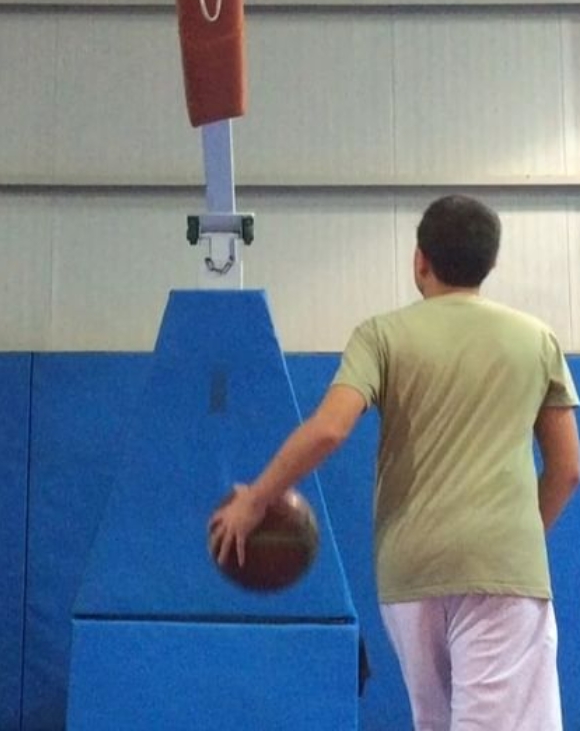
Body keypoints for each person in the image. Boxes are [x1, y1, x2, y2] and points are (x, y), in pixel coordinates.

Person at [209, 193, 580, 731]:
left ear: (419, 260)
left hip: (410, 570)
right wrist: (515, 539)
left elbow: (330, 428)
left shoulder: (381, 335)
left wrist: (256, 499)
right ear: (490, 263)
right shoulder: (537, 339)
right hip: (502, 568)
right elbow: (567, 468)